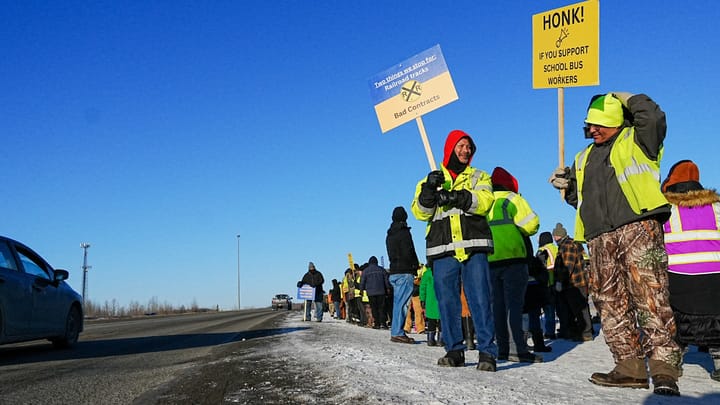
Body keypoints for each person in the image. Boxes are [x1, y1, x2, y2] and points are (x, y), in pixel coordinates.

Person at [549, 92, 682, 395]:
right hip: (599, 237)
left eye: (598, 124)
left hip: (637, 227)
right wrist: (568, 188)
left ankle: (664, 369)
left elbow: (653, 116)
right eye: (588, 126)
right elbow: (583, 202)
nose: (592, 130)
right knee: (610, 304)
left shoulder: (637, 140)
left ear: (615, 120)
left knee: (650, 298)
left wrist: (627, 97)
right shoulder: (582, 158)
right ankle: (628, 367)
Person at [411, 129, 497, 371]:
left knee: (480, 300)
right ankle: (454, 350)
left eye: (469, 146)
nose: (466, 151)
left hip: (473, 247)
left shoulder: (480, 176)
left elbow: (485, 201)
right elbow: (420, 212)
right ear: (450, 148)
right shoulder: (429, 180)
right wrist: (429, 190)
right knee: (447, 302)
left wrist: (457, 197)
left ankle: (487, 352)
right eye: (461, 146)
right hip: (443, 250)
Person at [661, 160, 720, 382]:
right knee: (716, 319)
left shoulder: (667, 210)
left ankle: (673, 362)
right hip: (715, 278)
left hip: (678, 279)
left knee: (677, 322)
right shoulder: (716, 207)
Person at [487, 166, 541, 363]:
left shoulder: (485, 201)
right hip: (514, 259)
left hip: (490, 261)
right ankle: (517, 349)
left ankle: (502, 348)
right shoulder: (512, 199)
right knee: (515, 306)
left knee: (498, 307)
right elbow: (531, 224)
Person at [552, 223, 593, 342]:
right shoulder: (568, 244)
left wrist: (560, 280)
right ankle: (582, 331)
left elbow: (567, 266)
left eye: (555, 236)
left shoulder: (567, 245)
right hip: (574, 283)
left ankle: (586, 332)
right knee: (577, 309)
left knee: (580, 309)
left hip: (575, 283)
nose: (554, 238)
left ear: (559, 236)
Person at [386, 206, 420, 344]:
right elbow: (409, 251)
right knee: (403, 303)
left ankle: (396, 330)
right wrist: (414, 265)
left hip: (394, 271)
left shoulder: (389, 234)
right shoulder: (404, 233)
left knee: (397, 303)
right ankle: (397, 332)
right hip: (405, 271)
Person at [536, 231, 558, 339]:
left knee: (548, 309)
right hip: (557, 281)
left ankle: (549, 332)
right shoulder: (555, 248)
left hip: (547, 283)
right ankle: (558, 329)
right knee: (556, 308)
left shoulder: (543, 250)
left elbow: (538, 266)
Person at [359, 256, 391, 329]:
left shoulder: (365, 271)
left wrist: (361, 290)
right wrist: (388, 288)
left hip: (371, 293)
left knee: (374, 308)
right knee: (382, 308)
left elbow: (362, 282)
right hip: (381, 292)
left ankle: (377, 323)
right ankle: (383, 323)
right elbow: (386, 280)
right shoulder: (382, 270)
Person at [420, 266, 442, 346]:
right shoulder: (442, 271)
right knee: (442, 321)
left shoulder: (427, 273)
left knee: (431, 321)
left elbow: (422, 287)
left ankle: (430, 340)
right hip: (441, 299)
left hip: (430, 300)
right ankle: (441, 340)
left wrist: (422, 299)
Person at [404, 264, 426, 335]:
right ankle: (410, 328)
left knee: (416, 311)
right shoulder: (422, 268)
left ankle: (417, 328)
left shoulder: (421, 268)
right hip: (413, 292)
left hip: (413, 292)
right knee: (411, 311)